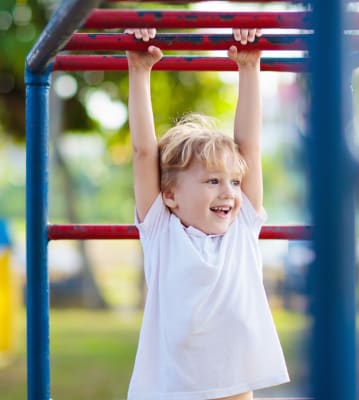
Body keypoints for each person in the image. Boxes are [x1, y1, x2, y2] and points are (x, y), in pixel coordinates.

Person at [125, 27, 289, 400]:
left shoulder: (242, 225)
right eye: (213, 181)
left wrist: (249, 68)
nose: (229, 192)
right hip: (175, 388)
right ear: (170, 195)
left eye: (233, 181)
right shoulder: (161, 232)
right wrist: (139, 70)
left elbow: (249, 145)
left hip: (234, 385)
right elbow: (143, 153)